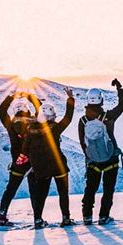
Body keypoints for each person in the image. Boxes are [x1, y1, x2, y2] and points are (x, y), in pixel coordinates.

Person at [23, 87, 76, 229]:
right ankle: (65, 218)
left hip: (41, 169)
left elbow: (25, 150)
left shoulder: (31, 131)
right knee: (63, 193)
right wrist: (70, 99)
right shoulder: (55, 129)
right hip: (58, 166)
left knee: (41, 195)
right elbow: (68, 118)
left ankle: (38, 219)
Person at [78, 80, 123, 226]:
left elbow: (82, 142)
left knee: (90, 189)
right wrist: (119, 88)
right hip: (111, 158)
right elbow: (122, 105)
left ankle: (87, 216)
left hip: (93, 161)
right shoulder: (108, 116)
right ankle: (103, 216)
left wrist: (90, 156)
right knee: (108, 189)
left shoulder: (83, 121)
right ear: (101, 100)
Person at [0, 91, 41, 226]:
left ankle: (2, 217)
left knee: (10, 190)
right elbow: (40, 108)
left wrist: (11, 97)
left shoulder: (11, 125)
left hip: (18, 163)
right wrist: (30, 96)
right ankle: (37, 219)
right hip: (33, 163)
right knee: (35, 192)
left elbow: (1, 111)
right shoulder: (35, 122)